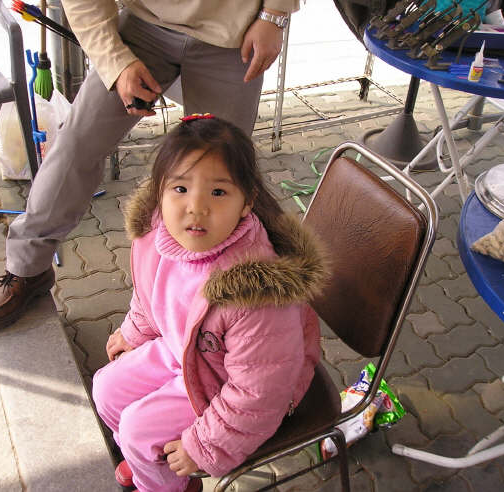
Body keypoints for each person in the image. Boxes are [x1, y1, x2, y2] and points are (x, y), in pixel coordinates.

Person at [0, 0, 299, 326]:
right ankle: (27, 267)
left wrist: (274, 16)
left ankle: (217, 298)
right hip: (145, 26)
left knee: (224, 170)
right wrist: (117, 64)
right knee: (76, 143)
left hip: (233, 35)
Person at [91, 115, 327, 491]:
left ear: (247, 202)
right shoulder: (157, 236)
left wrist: (202, 446)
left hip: (226, 382)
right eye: (180, 188)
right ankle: (149, 464)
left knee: (137, 430)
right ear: (159, 192)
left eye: (218, 192)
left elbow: (259, 392)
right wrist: (134, 331)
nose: (196, 207)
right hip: (184, 352)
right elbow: (150, 295)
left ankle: (166, 483)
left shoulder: (254, 292)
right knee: (106, 389)